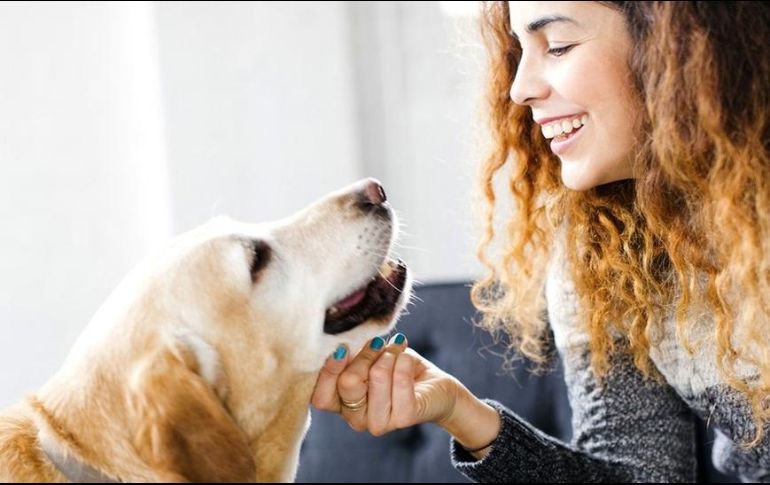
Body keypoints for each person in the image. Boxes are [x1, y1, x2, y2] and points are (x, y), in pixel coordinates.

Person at [311, 1, 770, 482]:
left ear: (676, 44)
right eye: (519, 50)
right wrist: (462, 413)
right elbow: (640, 475)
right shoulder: (605, 246)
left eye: (558, 46)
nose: (520, 89)